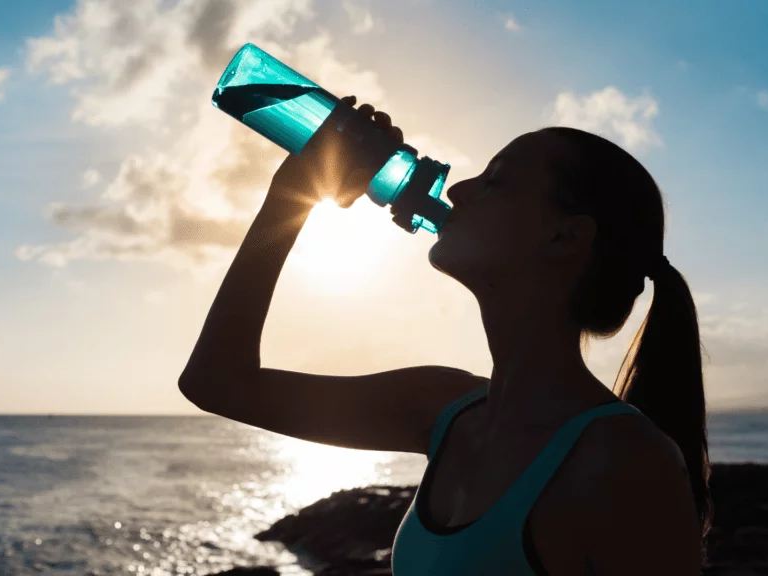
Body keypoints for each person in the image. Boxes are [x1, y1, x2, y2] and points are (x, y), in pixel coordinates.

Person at [179, 95, 710, 575]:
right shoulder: (442, 409)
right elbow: (216, 382)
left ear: (565, 236)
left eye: (497, 180)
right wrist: (292, 197)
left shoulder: (625, 461)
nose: (458, 187)